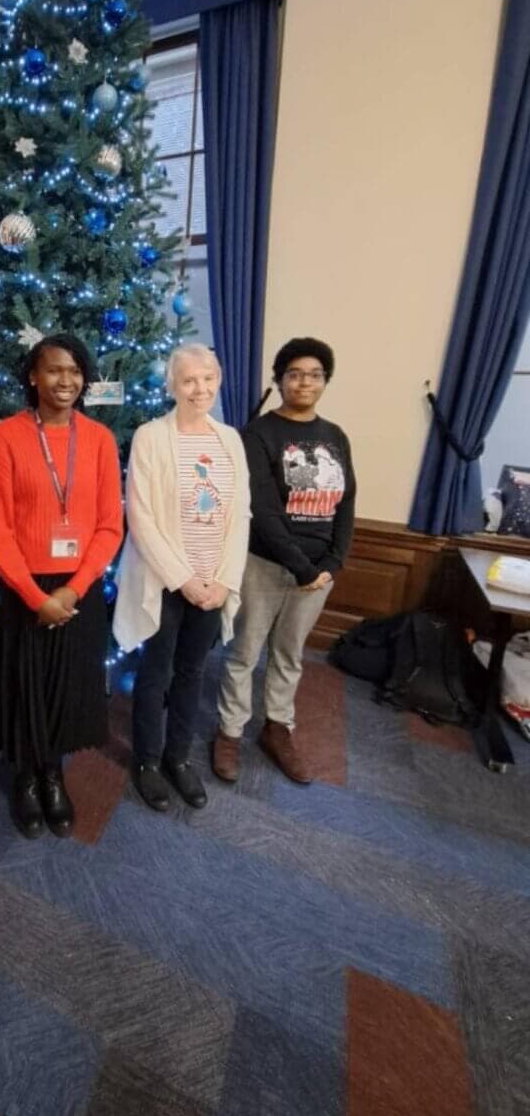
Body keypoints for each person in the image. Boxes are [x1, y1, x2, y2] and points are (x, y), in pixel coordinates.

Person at [0, 334, 123, 839]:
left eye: (75, 371)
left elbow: (109, 526)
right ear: (33, 376)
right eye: (54, 370)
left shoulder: (98, 439)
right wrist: (36, 597)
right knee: (26, 685)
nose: (66, 381)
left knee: (65, 687)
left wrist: (71, 592)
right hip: (23, 587)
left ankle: (53, 774)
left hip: (79, 589)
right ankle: (25, 778)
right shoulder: (7, 437)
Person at [114, 344, 250, 811]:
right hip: (167, 582)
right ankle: (148, 762)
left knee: (194, 673)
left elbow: (241, 516)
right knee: (156, 674)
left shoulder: (230, 439)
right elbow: (142, 516)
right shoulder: (151, 437)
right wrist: (184, 579)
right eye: (189, 380)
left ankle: (179, 758)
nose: (201, 388)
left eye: (209, 378)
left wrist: (224, 580)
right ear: (172, 385)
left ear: (219, 380)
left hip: (214, 584)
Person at [215, 337, 356, 785]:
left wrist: (334, 561)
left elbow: (347, 502)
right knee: (244, 651)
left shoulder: (334, 436)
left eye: (315, 374)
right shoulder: (258, 433)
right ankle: (230, 732)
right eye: (294, 374)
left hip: (318, 574)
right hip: (265, 564)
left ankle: (278, 728)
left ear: (325, 381)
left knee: (290, 654)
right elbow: (264, 510)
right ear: (279, 381)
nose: (305, 382)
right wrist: (303, 567)